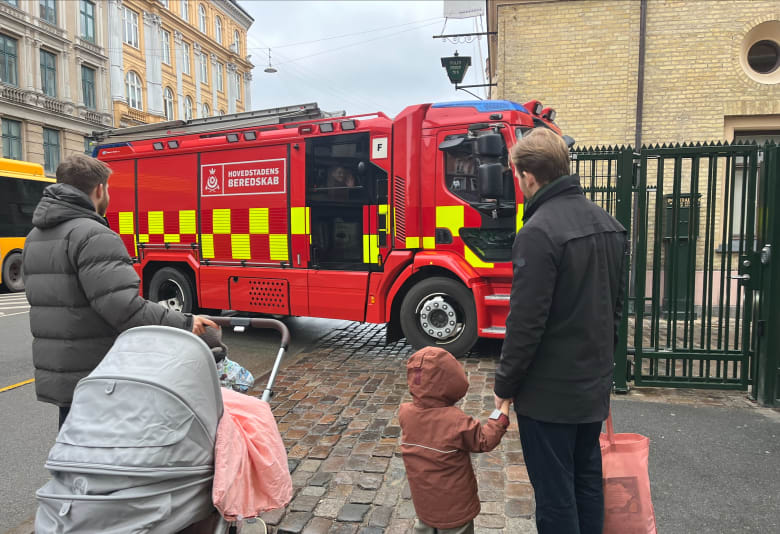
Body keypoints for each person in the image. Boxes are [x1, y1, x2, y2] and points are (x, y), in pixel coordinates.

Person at [493, 127, 627, 534]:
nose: (519, 184)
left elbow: (525, 323)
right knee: (587, 484)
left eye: (517, 176)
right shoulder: (609, 224)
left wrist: (505, 387)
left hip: (549, 398)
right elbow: (616, 311)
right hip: (591, 390)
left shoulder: (537, 232)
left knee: (555, 499)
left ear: (529, 176)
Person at [23, 154, 216, 429]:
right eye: (109, 188)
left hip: (64, 375)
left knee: (75, 457)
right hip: (100, 376)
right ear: (99, 189)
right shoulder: (93, 235)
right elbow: (124, 308)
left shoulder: (35, 236)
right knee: (108, 460)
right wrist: (185, 323)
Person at [400, 346, 511, 534]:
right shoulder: (455, 420)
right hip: (456, 509)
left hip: (424, 504)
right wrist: (502, 410)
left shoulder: (405, 413)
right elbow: (485, 440)